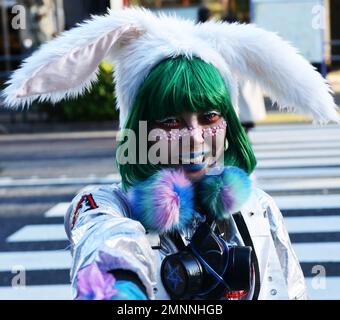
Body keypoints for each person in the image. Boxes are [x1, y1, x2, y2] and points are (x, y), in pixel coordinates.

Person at [2, 7, 339, 300]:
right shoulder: (106, 207)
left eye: (209, 117)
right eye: (171, 121)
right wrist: (119, 287)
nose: (194, 138)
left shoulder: (259, 208)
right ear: (140, 130)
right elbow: (105, 243)